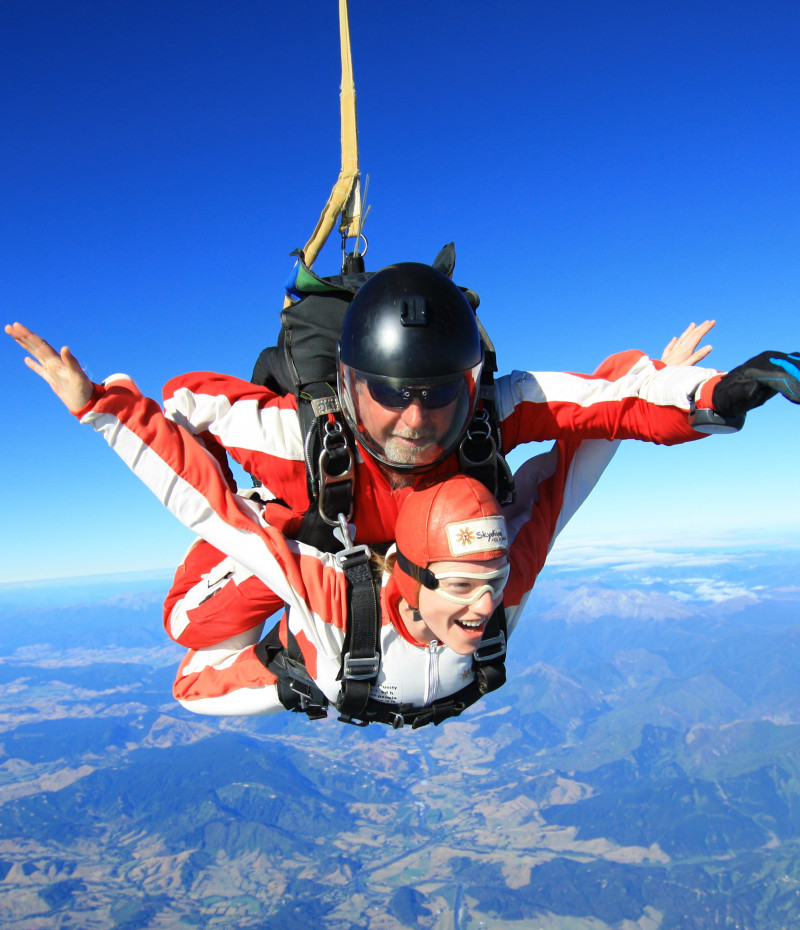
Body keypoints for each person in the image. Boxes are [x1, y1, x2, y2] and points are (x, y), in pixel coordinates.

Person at [158, 261, 727, 650]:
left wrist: (698, 394)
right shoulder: (298, 441)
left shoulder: (484, 414)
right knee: (190, 626)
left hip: (428, 559)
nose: (414, 420)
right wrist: (235, 509)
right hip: (312, 540)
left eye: (437, 393)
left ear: (468, 385)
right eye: (388, 393)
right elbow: (186, 401)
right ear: (353, 389)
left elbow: (602, 400)